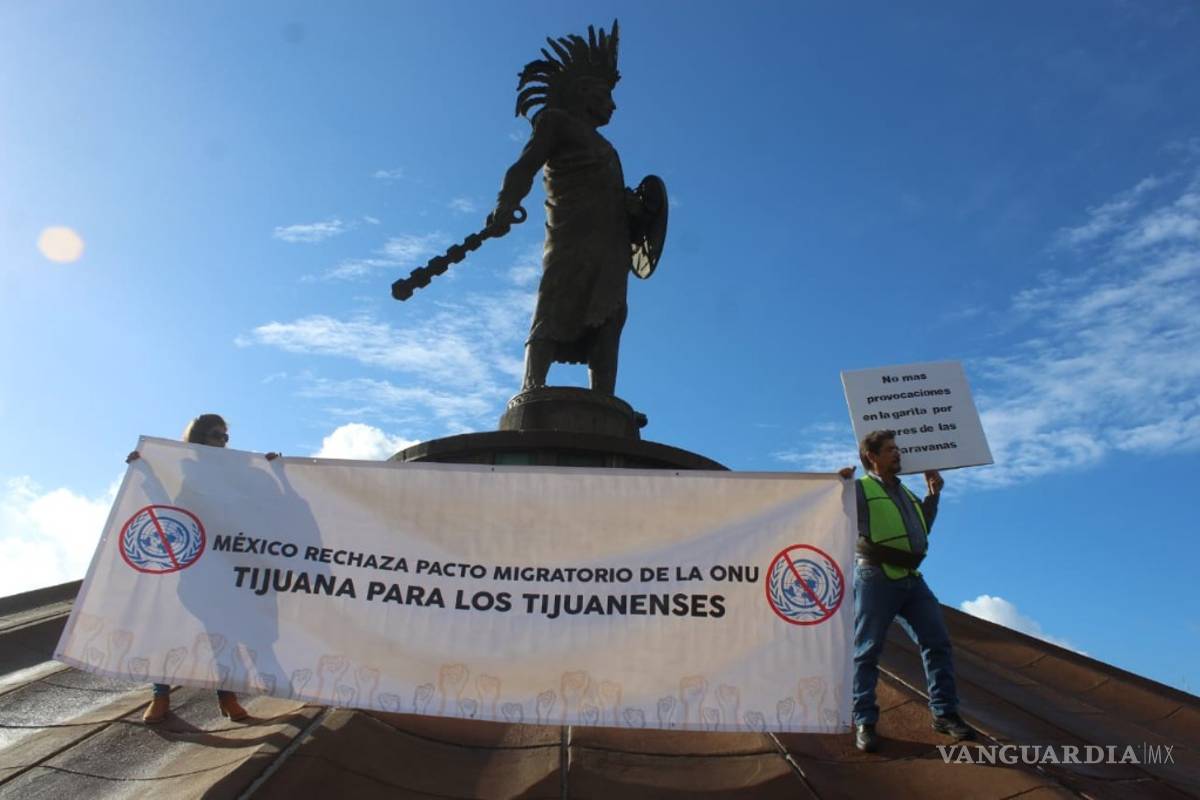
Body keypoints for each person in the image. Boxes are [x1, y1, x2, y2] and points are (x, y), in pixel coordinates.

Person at [488, 20, 650, 395]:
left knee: (610, 315)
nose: (612, 104)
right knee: (555, 303)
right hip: (571, 238)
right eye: (605, 94)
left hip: (610, 246)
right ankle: (532, 388)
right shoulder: (556, 122)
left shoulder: (607, 148)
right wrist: (505, 205)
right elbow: (523, 168)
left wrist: (636, 210)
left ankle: (603, 399)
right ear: (582, 91)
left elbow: (616, 199)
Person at [127, 413, 276, 725]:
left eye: (225, 436)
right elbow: (165, 506)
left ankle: (227, 696)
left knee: (222, 631)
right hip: (193, 565)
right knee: (171, 629)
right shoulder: (184, 471)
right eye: (215, 435)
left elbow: (260, 504)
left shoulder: (237, 473)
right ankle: (160, 695)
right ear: (199, 440)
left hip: (226, 565)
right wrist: (146, 470)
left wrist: (275, 471)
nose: (222, 441)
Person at [838, 430, 975, 752]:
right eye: (890, 450)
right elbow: (835, 513)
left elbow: (922, 528)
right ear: (872, 456)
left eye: (897, 449)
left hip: (912, 577)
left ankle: (945, 713)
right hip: (876, 575)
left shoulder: (908, 494)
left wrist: (933, 495)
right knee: (867, 649)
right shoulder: (860, 490)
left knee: (937, 642)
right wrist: (837, 487)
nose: (898, 454)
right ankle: (865, 721)